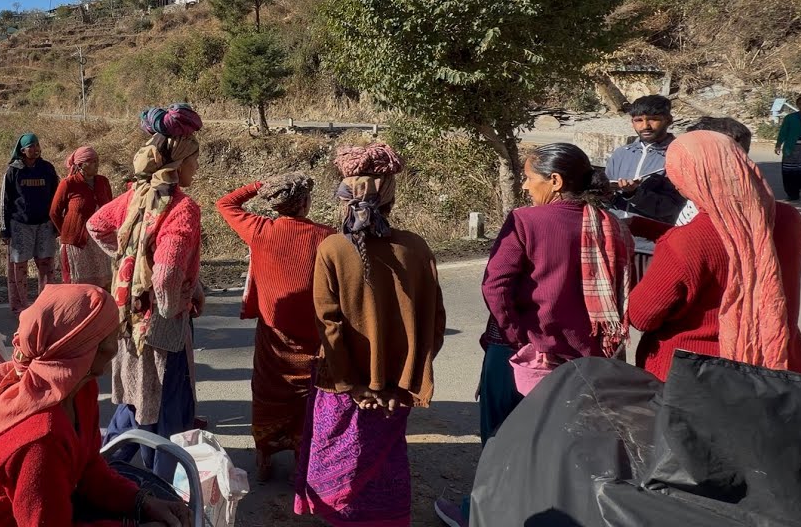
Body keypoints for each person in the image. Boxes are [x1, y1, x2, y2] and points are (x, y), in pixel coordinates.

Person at [435, 143, 634, 527]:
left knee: (500, 440)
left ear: (555, 182)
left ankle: (484, 514)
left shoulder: (527, 222)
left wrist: (514, 338)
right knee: (560, 445)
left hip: (524, 354)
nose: (526, 187)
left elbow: (496, 287)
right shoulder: (610, 225)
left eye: (529, 178)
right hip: (588, 360)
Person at [0, 284, 190, 527]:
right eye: (112, 335)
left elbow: (88, 466)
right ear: (86, 351)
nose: (120, 341)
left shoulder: (79, 388)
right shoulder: (41, 437)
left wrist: (142, 502)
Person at [296, 143, 446, 527]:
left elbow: (328, 325)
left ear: (344, 196)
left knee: (337, 463)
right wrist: (402, 383)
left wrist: (352, 385)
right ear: (391, 194)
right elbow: (434, 324)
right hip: (396, 391)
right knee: (386, 459)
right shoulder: (416, 247)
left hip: (344, 390)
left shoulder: (332, 247)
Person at [627, 131, 801, 380]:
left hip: (698, 375)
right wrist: (642, 226)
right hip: (777, 363)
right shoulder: (788, 219)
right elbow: (736, 243)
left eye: (676, 173)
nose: (675, 184)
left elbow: (643, 317)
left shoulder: (687, 240)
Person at [88, 104, 205, 480]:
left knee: (134, 399)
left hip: (127, 315)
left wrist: (128, 258)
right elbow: (169, 273)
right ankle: (164, 487)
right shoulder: (182, 208)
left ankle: (108, 474)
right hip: (160, 328)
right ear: (181, 163)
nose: (196, 168)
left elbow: (96, 225)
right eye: (194, 160)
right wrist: (175, 303)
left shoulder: (134, 196)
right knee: (167, 405)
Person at [216, 172, 333, 482]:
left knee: (268, 392)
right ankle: (302, 452)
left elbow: (225, 203)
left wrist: (258, 184)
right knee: (308, 394)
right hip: (313, 335)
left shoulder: (259, 229)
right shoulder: (327, 236)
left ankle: (265, 452)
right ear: (306, 204)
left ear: (275, 203)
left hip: (272, 332)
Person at [0, 133, 60, 314]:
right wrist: (4, 229)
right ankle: (21, 305)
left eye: (37, 145)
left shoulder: (47, 169)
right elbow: (5, 201)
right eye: (31, 146)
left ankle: (46, 302)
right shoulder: (13, 171)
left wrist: (56, 223)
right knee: (19, 267)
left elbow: (56, 196)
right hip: (20, 225)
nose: (35, 149)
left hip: (44, 224)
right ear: (22, 150)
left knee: (46, 266)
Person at [605, 95, 685, 223]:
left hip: (653, 236)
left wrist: (634, 194)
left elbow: (673, 207)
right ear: (632, 122)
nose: (645, 126)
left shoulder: (678, 155)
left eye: (653, 119)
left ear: (669, 120)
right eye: (638, 120)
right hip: (616, 231)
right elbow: (606, 197)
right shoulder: (620, 154)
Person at [49, 146, 114, 289]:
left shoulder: (103, 182)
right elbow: (54, 211)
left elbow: (110, 208)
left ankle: (101, 309)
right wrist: (66, 231)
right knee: (79, 285)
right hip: (77, 243)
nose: (96, 165)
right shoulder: (68, 183)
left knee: (103, 284)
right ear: (80, 165)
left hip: (99, 241)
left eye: (97, 161)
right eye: (92, 162)